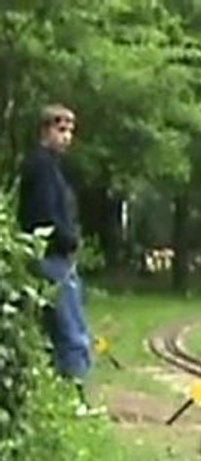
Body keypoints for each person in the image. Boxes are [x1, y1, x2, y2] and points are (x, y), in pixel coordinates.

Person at [17, 103, 93, 411]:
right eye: (61, 130)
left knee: (58, 330)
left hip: (52, 257)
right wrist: (68, 240)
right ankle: (75, 401)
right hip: (52, 258)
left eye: (70, 131)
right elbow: (44, 216)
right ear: (45, 130)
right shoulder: (42, 167)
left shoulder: (49, 167)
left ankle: (61, 398)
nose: (67, 137)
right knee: (72, 332)